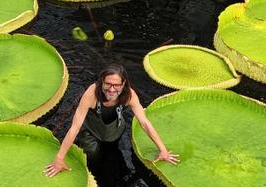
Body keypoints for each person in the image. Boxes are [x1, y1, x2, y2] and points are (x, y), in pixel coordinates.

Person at [44, 63, 178, 177]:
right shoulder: (91, 94)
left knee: (114, 155)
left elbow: (144, 123)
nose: (112, 89)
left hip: (115, 130)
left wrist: (163, 149)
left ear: (123, 83)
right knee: (92, 154)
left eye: (116, 85)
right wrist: (59, 158)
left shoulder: (129, 95)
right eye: (108, 84)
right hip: (92, 131)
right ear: (102, 81)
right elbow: (75, 127)